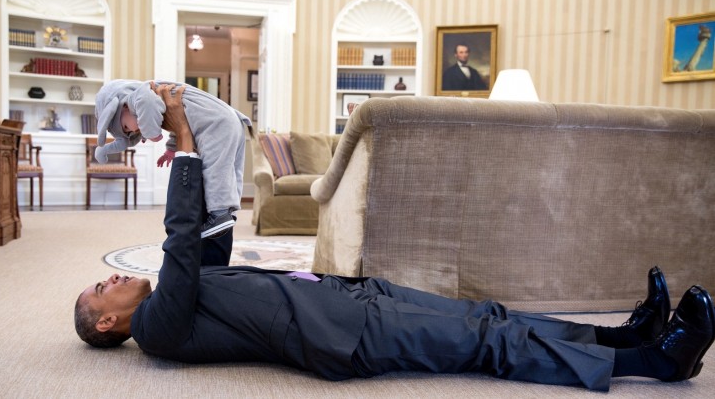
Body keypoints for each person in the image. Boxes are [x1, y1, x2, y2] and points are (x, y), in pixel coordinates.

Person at [75, 86, 715, 392]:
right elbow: (182, 241)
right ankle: (654, 363)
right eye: (98, 293)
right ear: (109, 327)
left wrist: (189, 148)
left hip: (349, 299)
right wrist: (181, 136)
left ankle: (623, 335)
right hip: (345, 335)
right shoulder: (158, 328)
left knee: (486, 314)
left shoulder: (178, 298)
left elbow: (210, 224)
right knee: (485, 343)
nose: (107, 281)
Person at [94, 80, 252, 238]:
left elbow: (148, 103)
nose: (134, 130)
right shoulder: (161, 98)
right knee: (231, 168)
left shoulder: (141, 96)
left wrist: (152, 133)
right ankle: (230, 212)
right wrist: (171, 150)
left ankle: (220, 213)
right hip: (228, 119)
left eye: (126, 127)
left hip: (215, 124)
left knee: (216, 169)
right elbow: (183, 119)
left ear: (124, 106)